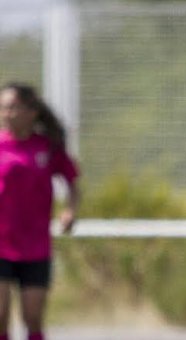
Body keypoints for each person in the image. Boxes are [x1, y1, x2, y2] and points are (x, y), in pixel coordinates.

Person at [0, 83, 80, 340]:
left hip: (35, 246)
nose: (7, 113)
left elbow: (72, 182)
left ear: (31, 111)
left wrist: (70, 210)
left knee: (33, 318)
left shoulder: (47, 147)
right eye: (4, 108)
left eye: (13, 107)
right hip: (1, 244)